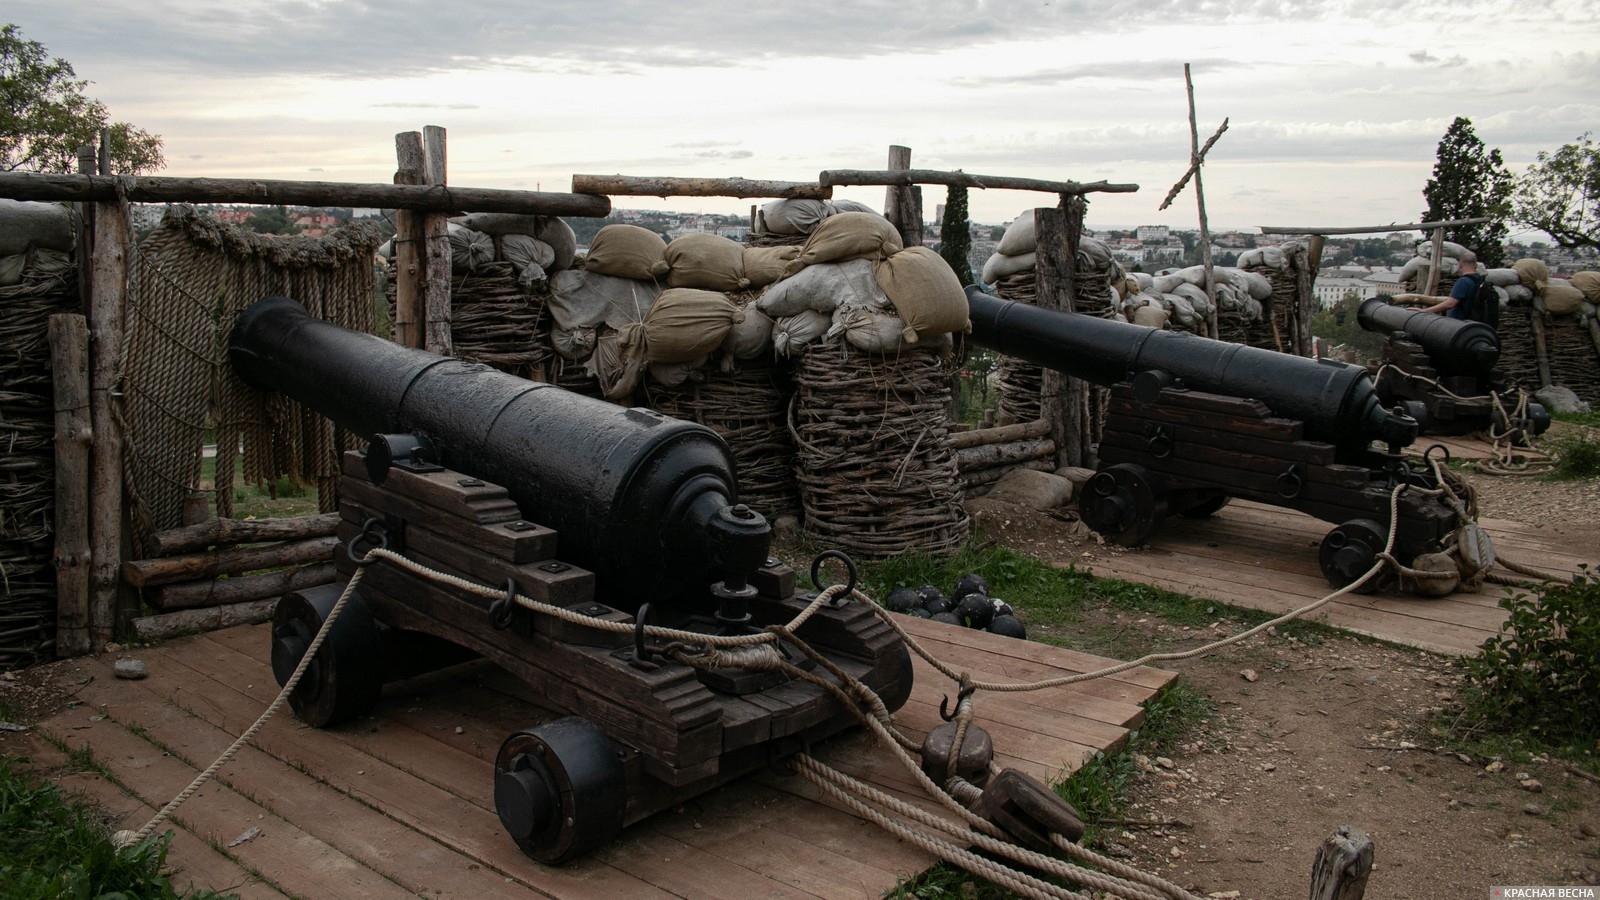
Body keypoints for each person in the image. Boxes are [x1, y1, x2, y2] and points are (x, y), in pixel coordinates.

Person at [1417, 250, 1482, 319]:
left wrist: (1425, 311)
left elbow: (1451, 303)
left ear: (1460, 264)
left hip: (1461, 323)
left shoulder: (1463, 281)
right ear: (1475, 265)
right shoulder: (1480, 280)